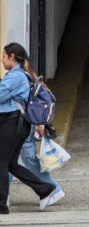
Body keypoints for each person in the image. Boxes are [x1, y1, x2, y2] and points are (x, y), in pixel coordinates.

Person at [0, 43, 60, 214]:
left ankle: (1, 204)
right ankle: (45, 189)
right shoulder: (15, 75)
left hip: (12, 123)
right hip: (14, 124)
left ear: (12, 57)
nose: (2, 60)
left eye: (4, 56)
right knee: (11, 164)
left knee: (2, 163)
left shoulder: (16, 76)